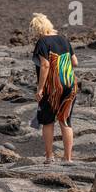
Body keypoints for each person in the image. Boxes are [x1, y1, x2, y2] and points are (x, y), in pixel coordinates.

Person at [29, 13, 77, 163]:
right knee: (65, 120)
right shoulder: (63, 39)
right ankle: (67, 158)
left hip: (52, 88)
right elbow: (75, 62)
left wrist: (40, 89)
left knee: (48, 121)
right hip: (70, 84)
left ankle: (50, 157)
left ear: (36, 30)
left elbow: (45, 65)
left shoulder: (42, 42)